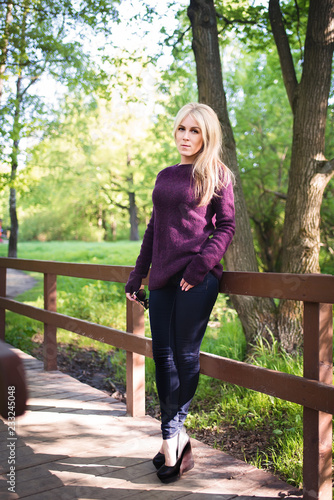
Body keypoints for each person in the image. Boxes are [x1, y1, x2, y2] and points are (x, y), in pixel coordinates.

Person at [125, 102, 235, 483]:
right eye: (181, 130)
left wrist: (199, 266)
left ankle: (170, 439)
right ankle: (177, 437)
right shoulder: (165, 175)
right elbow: (155, 229)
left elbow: (226, 227)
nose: (186, 137)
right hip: (163, 279)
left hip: (197, 279)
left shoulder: (217, 174)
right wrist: (138, 274)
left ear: (207, 135)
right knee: (162, 356)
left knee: (185, 357)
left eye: (195, 131)